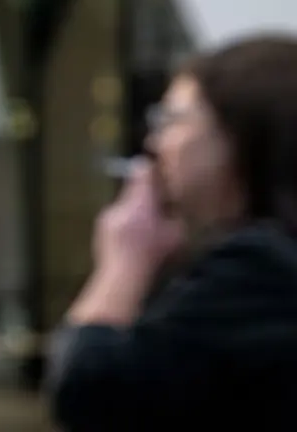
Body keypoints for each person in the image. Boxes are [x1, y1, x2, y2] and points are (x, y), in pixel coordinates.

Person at [47, 35, 297, 431]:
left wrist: (124, 260)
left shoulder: (257, 268)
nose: (154, 143)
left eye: (172, 120)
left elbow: (90, 392)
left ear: (235, 137)